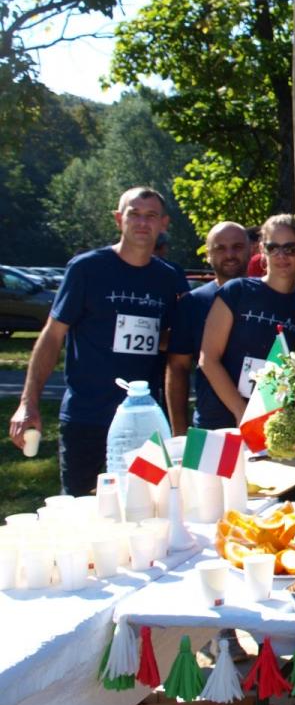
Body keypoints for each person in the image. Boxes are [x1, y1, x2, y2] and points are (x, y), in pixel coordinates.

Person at [9, 187, 188, 495]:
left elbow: (176, 344)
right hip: (87, 416)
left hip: (144, 420)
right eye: (134, 214)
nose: (142, 223)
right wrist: (28, 403)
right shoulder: (87, 268)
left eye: (151, 216)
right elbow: (52, 335)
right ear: (119, 219)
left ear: (164, 223)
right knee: (82, 508)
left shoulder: (170, 277)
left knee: (147, 504)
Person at [198, 215, 295, 425]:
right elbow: (208, 359)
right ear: (262, 250)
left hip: (278, 426)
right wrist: (241, 411)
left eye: (290, 248)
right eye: (273, 247)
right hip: (220, 422)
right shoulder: (237, 290)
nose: (281, 255)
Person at [166, 222, 251, 434]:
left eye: (237, 247)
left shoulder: (268, 298)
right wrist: (179, 432)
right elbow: (178, 367)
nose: (229, 255)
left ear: (251, 249)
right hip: (210, 426)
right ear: (208, 255)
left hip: (267, 423)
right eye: (220, 248)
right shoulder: (192, 304)